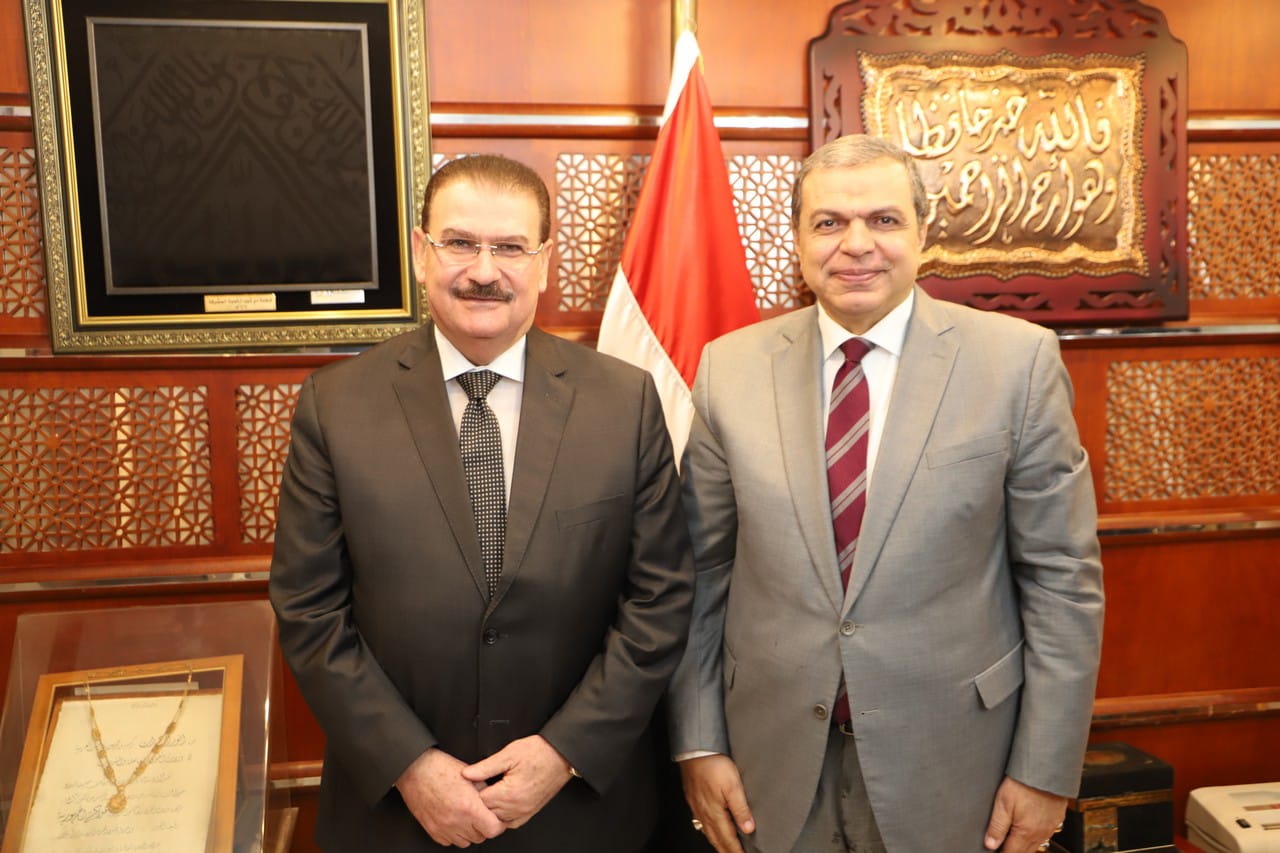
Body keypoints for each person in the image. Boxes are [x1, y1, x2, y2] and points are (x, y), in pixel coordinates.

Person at [667, 134, 1104, 853]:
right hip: (770, 765)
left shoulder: (1017, 362)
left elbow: (1062, 580)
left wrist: (1045, 769)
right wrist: (698, 741)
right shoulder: (728, 368)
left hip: (958, 765)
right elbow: (699, 574)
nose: (856, 244)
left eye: (884, 219)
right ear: (798, 241)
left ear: (924, 233)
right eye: (829, 222)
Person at [269, 154, 694, 852]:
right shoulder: (334, 405)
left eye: (510, 248)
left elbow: (660, 598)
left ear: (544, 263)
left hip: (581, 812)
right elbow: (308, 609)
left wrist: (564, 751)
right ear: (421, 253)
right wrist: (409, 766)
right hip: (397, 816)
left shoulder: (625, 403)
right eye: (460, 242)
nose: (484, 271)